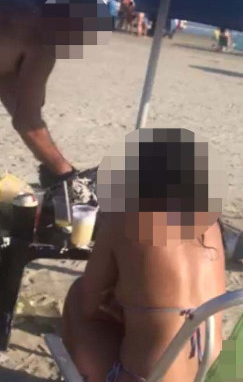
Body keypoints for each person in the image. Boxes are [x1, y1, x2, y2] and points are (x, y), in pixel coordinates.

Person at [62, 128, 227, 382]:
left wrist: (122, 307)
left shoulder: (123, 221)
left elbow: (89, 305)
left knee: (77, 294)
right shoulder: (210, 225)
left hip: (145, 377)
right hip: (207, 374)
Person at [0, 0, 107, 195]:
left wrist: (53, 164)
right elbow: (27, 121)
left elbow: (11, 93)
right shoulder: (44, 37)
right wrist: (66, 175)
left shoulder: (18, 0)